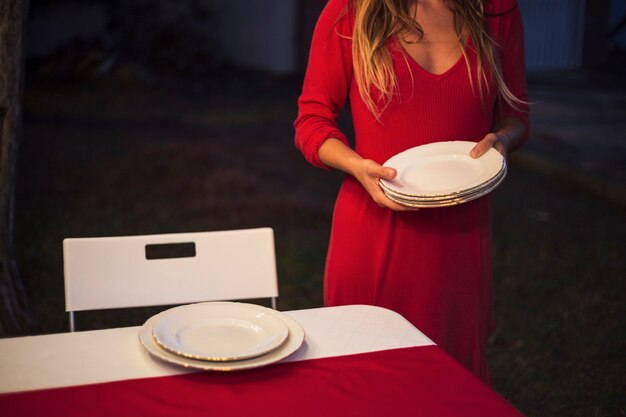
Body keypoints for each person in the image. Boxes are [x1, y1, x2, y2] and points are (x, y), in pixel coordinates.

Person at [294, 0, 529, 384]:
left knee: (450, 386)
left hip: (460, 238)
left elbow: (515, 114)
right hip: (375, 231)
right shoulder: (350, 11)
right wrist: (357, 166)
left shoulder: (497, 10)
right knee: (368, 383)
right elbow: (311, 121)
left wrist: (501, 141)